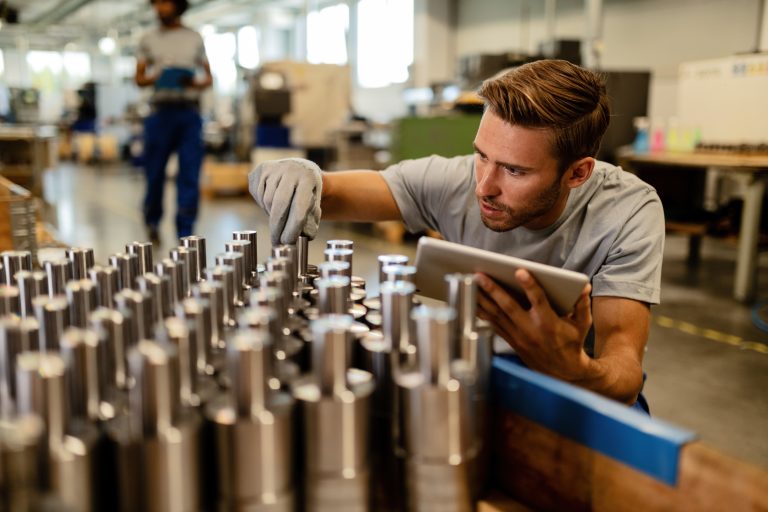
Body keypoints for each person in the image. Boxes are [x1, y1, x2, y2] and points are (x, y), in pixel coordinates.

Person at [248, 59, 664, 412]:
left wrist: (572, 369)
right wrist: (290, 174)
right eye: (482, 155)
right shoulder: (454, 180)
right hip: (484, 365)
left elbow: (624, 374)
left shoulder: (627, 211)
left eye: (515, 170)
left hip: (585, 387)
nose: (484, 186)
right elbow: (334, 192)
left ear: (578, 173)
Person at [135, 0, 212, 241]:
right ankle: (152, 219)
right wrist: (158, 77)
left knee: (189, 171)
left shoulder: (195, 38)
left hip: (189, 114)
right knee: (154, 172)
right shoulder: (147, 39)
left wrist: (193, 82)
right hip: (160, 113)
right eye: (156, 3)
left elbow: (208, 78)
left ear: (178, 5)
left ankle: (185, 229)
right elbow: (138, 78)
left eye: (165, 2)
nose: (160, 8)